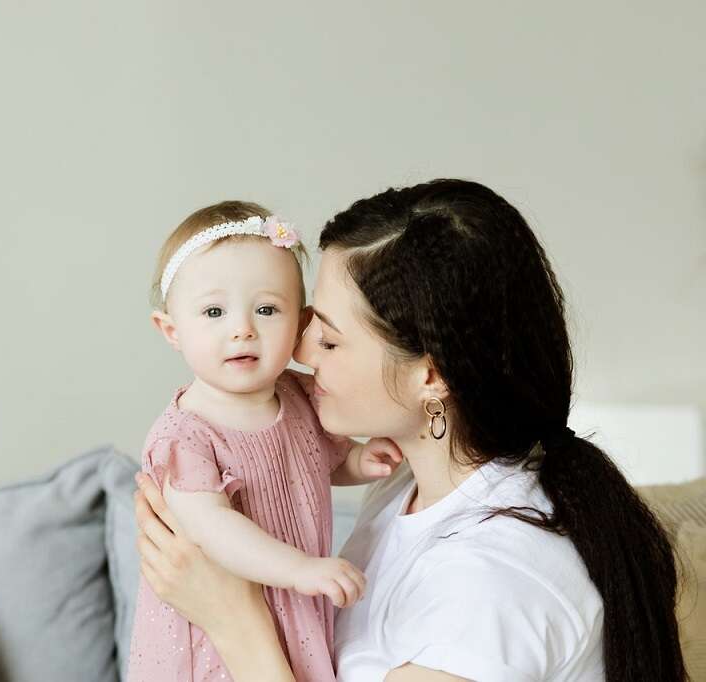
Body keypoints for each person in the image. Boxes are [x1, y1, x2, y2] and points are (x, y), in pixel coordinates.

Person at [133, 180, 687, 681]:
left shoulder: (488, 587)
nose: (297, 353)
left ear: (431, 374)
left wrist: (234, 620)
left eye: (326, 339)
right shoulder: (411, 485)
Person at [128, 201, 404, 682]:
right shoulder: (184, 436)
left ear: (301, 324)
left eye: (266, 309)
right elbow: (210, 527)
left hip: (292, 605)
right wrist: (299, 568)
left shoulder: (299, 396)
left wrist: (358, 460)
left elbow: (315, 464)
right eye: (214, 311)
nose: (242, 328)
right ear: (171, 330)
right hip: (215, 623)